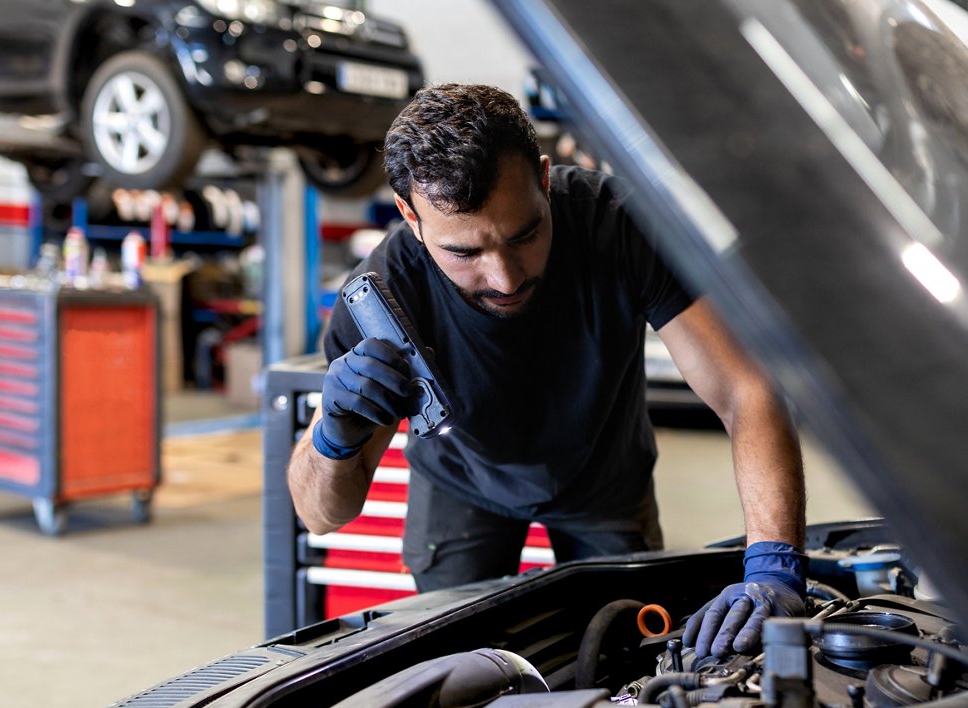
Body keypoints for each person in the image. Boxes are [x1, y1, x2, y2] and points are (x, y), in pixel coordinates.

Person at [287, 83, 807, 658]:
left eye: (525, 234)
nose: (505, 278)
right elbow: (320, 515)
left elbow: (746, 387)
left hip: (604, 475)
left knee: (631, 655)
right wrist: (333, 438)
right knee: (460, 667)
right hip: (463, 482)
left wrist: (772, 564)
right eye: (465, 253)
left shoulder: (620, 225)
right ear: (411, 215)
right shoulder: (386, 296)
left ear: (542, 177)